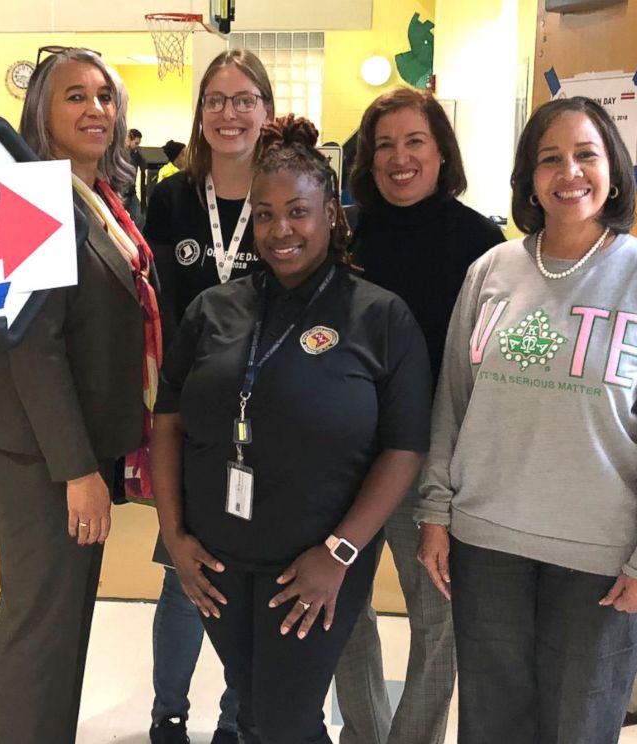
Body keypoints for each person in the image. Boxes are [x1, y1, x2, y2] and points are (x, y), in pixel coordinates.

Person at [416, 96, 637, 744]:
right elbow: (452, 406)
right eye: (550, 159)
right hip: (487, 544)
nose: (568, 172)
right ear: (529, 179)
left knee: (576, 731)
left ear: (614, 169)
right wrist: (435, 512)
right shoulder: (492, 271)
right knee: (490, 728)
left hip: (599, 562)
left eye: (585, 155)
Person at [150, 115, 433, 744]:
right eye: (266, 214)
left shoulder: (379, 316)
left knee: (279, 719)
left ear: (330, 213)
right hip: (217, 558)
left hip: (314, 563)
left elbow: (406, 447)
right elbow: (167, 421)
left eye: (298, 212)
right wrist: (174, 535)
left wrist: (338, 555)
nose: (281, 230)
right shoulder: (213, 309)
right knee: (257, 709)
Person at [0, 47, 161, 743]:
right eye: (75, 97)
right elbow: (33, 345)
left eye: (105, 96)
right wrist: (77, 470)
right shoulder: (33, 195)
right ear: (41, 114)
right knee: (40, 632)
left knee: (66, 623)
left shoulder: (98, 193)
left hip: (80, 445)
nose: (97, 110)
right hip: (41, 455)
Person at [335, 87, 504, 744]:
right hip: (347, 457)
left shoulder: (480, 243)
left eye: (415, 143)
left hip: (432, 462)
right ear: (366, 157)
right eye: (384, 145)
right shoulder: (345, 231)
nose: (399, 158)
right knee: (341, 610)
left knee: (439, 621)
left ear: (441, 154)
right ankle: (366, 733)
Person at [143, 49, 273, 744]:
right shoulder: (171, 194)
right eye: (217, 100)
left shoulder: (285, 187)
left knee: (249, 580)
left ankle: (234, 718)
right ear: (200, 113)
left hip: (273, 411)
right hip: (193, 410)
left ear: (267, 110)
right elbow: (157, 302)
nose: (230, 113)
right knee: (183, 573)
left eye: (244, 98)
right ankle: (169, 713)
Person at [125, 127, 147, 227]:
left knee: (140, 219)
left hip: (132, 192)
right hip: (121, 193)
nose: (137, 146)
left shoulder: (136, 154)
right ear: (129, 139)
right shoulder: (119, 154)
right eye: (136, 143)